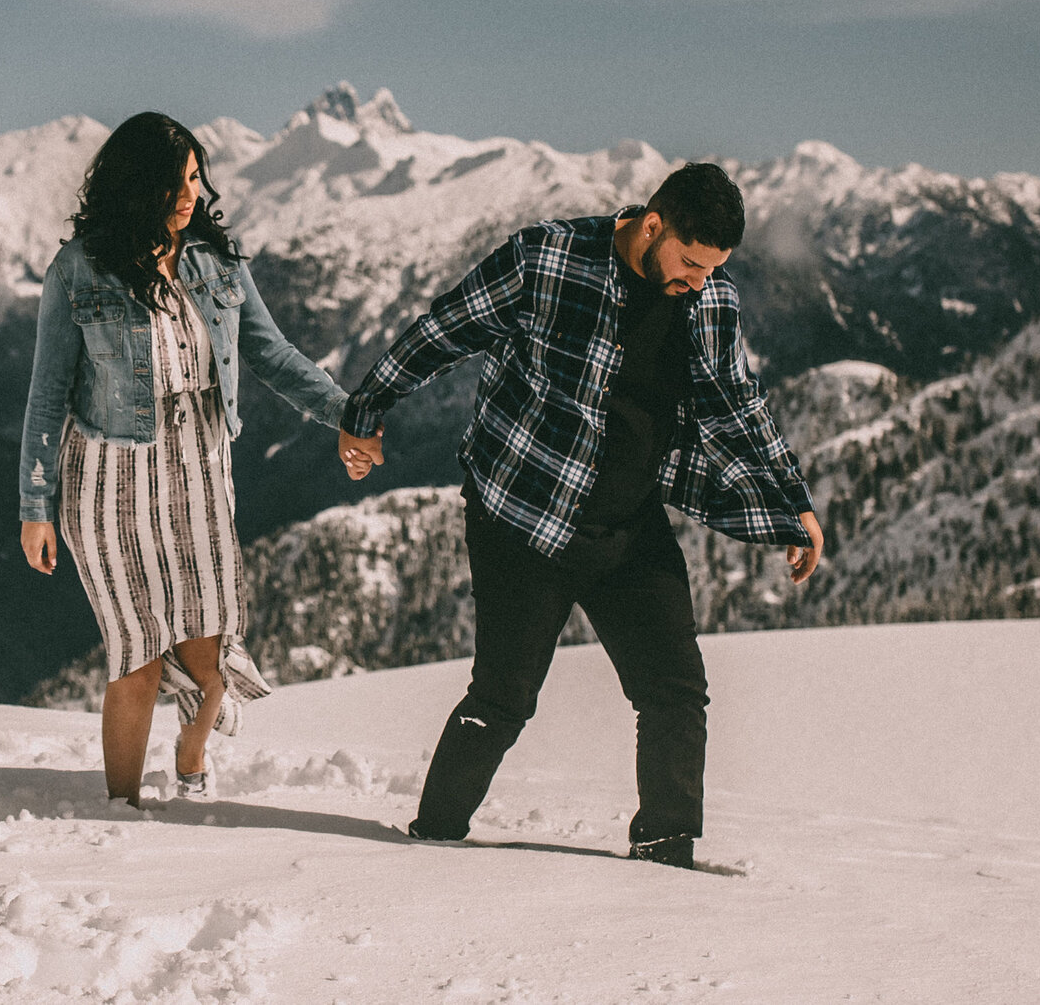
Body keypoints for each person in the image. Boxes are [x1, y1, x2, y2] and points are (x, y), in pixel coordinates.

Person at [336, 162, 822, 867]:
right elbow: (446, 327)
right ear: (652, 224)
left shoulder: (709, 298)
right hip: (523, 516)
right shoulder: (548, 258)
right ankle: (433, 837)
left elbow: (737, 400)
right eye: (688, 262)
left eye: (710, 268)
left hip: (627, 525)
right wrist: (367, 406)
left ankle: (665, 852)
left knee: (675, 688)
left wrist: (792, 501)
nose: (696, 280)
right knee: (503, 696)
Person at [19, 112, 348, 807]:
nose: (187, 194)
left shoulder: (215, 264)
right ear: (134, 187)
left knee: (209, 655)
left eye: (195, 178)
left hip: (200, 469)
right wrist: (34, 506)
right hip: (108, 478)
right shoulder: (78, 269)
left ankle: (191, 747)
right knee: (136, 655)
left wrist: (347, 411)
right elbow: (48, 394)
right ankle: (123, 807)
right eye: (172, 182)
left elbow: (273, 356)